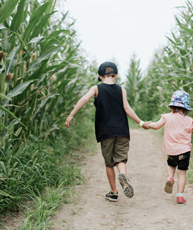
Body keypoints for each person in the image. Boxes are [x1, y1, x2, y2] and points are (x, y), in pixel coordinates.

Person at [64, 61, 150, 202]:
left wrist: (71, 114)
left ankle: (114, 192)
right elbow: (128, 109)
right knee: (120, 159)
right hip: (122, 131)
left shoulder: (96, 88)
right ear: (115, 76)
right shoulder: (121, 90)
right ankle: (123, 175)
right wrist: (141, 123)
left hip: (105, 131)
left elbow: (84, 98)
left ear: (100, 76)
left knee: (109, 163)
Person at [149, 90, 193, 204]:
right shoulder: (189, 121)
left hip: (171, 151)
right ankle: (180, 196)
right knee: (182, 173)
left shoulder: (166, 117)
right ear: (186, 108)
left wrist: (149, 124)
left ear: (172, 106)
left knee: (171, 165)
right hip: (184, 152)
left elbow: (156, 126)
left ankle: (170, 178)